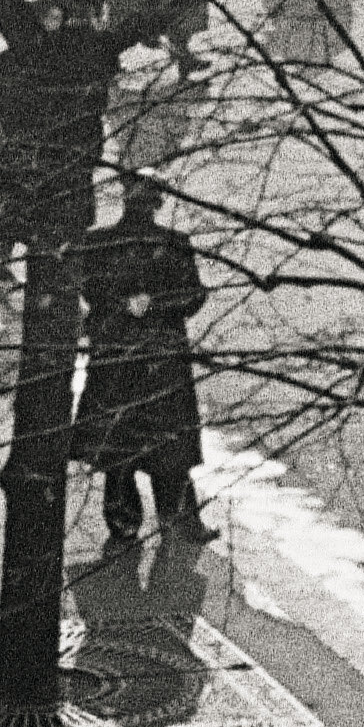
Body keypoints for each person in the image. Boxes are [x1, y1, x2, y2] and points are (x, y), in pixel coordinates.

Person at [75, 177, 213, 544]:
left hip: (117, 356)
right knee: (170, 448)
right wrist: (155, 304)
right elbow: (194, 296)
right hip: (162, 359)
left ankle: (124, 523)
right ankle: (181, 520)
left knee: (120, 448)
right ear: (159, 203)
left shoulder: (99, 242)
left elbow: (88, 289)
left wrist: (122, 305)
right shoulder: (173, 243)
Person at [0, 0, 114, 292]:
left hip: (61, 143)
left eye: (59, 18)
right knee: (22, 209)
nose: (55, 24)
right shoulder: (16, 58)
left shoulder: (73, 59)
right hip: (24, 144)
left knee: (44, 210)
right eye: (50, 18)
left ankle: (17, 269)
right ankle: (8, 269)